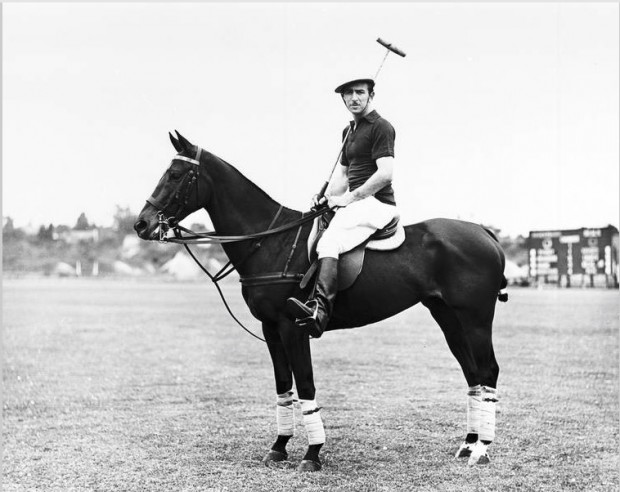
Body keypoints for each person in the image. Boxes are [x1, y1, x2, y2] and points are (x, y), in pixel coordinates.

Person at [287, 77, 399, 338]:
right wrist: (325, 196)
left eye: (360, 92)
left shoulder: (381, 127)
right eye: (348, 94)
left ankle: (320, 312)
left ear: (371, 95)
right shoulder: (348, 131)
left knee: (328, 243)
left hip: (377, 203)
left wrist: (351, 198)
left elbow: (386, 174)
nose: (354, 98)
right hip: (356, 202)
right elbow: (344, 177)